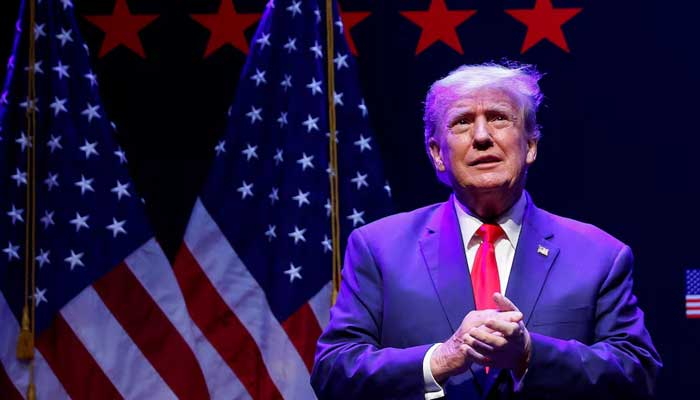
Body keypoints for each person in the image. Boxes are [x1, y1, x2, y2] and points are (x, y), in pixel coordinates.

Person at [310, 63, 662, 399]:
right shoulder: (378, 248)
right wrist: (440, 359)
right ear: (437, 154)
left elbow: (637, 373)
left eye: (498, 118)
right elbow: (332, 372)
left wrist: (528, 352)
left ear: (531, 146)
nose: (481, 136)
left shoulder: (599, 255)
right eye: (462, 122)